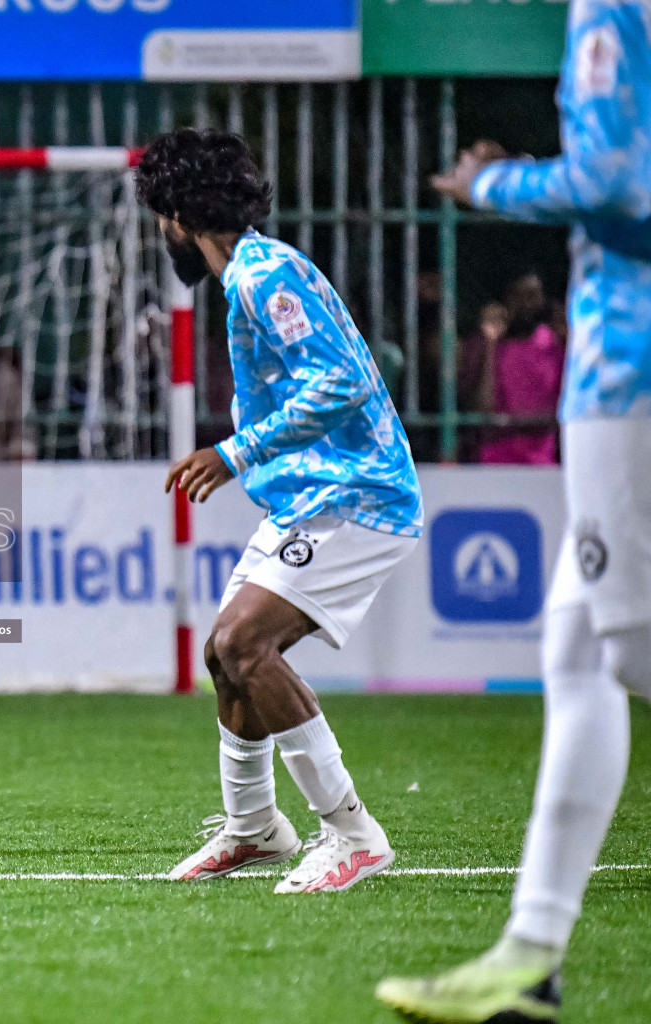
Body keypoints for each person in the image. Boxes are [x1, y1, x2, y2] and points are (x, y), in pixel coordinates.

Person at [381, 2, 651, 1020]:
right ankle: (530, 952)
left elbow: (618, 183)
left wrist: (486, 182)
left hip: (629, 366)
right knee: (577, 651)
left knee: (624, 651)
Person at [135, 128, 424, 894]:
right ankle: (255, 828)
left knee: (245, 642)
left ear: (177, 216)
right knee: (224, 655)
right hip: (312, 496)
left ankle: (353, 833)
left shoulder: (268, 278)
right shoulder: (254, 275)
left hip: (359, 494)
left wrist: (233, 452)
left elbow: (338, 383)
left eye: (158, 218)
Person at [463, 273, 566, 466]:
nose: (527, 304)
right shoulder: (484, 344)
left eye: (533, 296)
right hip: (493, 461)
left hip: (543, 463)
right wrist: (490, 344)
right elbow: (481, 409)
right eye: (519, 296)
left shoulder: (553, 344)